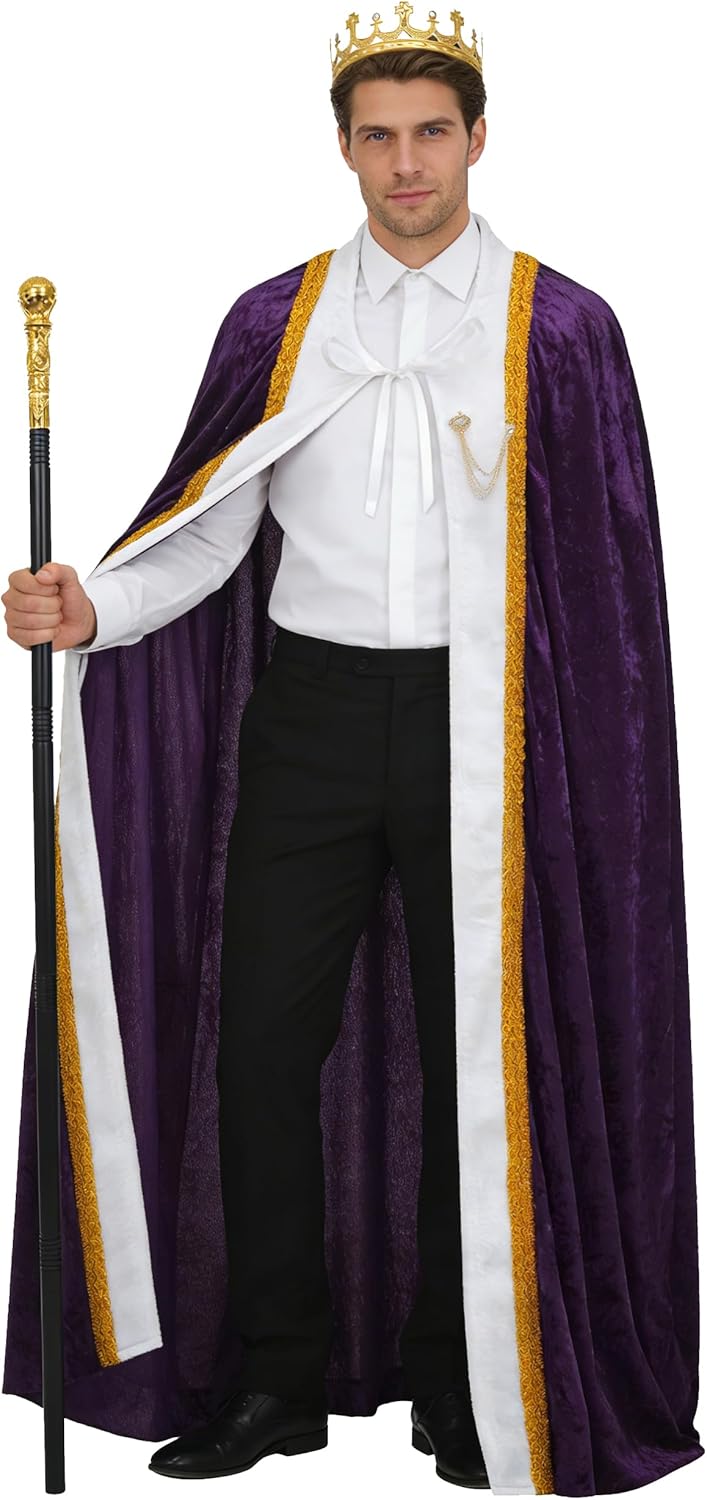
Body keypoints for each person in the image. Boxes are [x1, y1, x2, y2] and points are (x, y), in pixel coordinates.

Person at [2, 6, 702, 1494]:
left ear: (479, 139)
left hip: (489, 728)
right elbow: (211, 530)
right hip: (311, 718)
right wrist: (90, 606)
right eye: (377, 137)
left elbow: (609, 590)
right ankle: (276, 1380)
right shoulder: (280, 320)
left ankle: (468, 1379)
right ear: (342, 148)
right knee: (261, 1043)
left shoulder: (558, 326)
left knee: (478, 1052)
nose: (406, 165)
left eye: (431, 133)